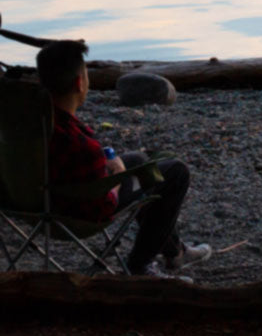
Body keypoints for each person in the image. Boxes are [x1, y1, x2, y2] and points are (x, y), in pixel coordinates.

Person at [36, 39, 211, 278]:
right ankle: (140, 266)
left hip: (33, 203)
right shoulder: (81, 145)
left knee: (139, 161)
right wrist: (117, 175)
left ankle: (174, 252)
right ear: (79, 83)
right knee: (176, 172)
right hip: (73, 212)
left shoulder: (30, 129)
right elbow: (104, 207)